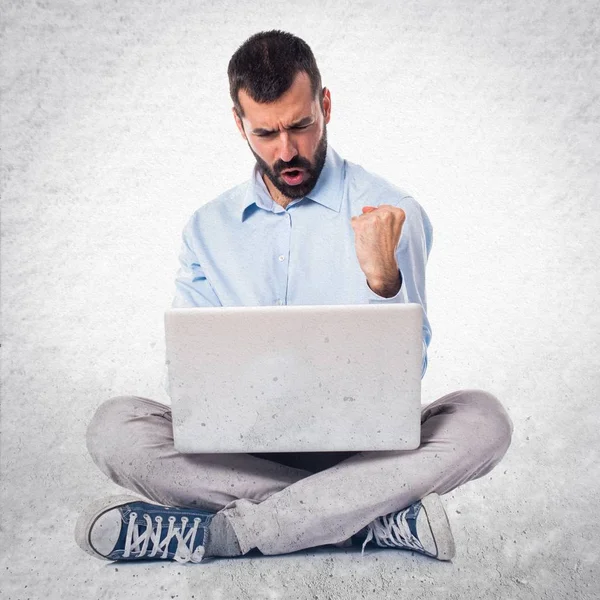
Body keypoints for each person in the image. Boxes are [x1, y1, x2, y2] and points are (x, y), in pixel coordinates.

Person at [75, 30, 513, 565]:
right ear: (239, 124)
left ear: (325, 106)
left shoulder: (391, 211)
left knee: (483, 420)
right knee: (114, 428)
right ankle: (367, 521)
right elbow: (191, 378)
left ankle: (227, 534)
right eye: (266, 132)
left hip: (364, 451)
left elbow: (406, 378)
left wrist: (383, 283)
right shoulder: (206, 229)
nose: (287, 151)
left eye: (301, 125)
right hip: (243, 452)